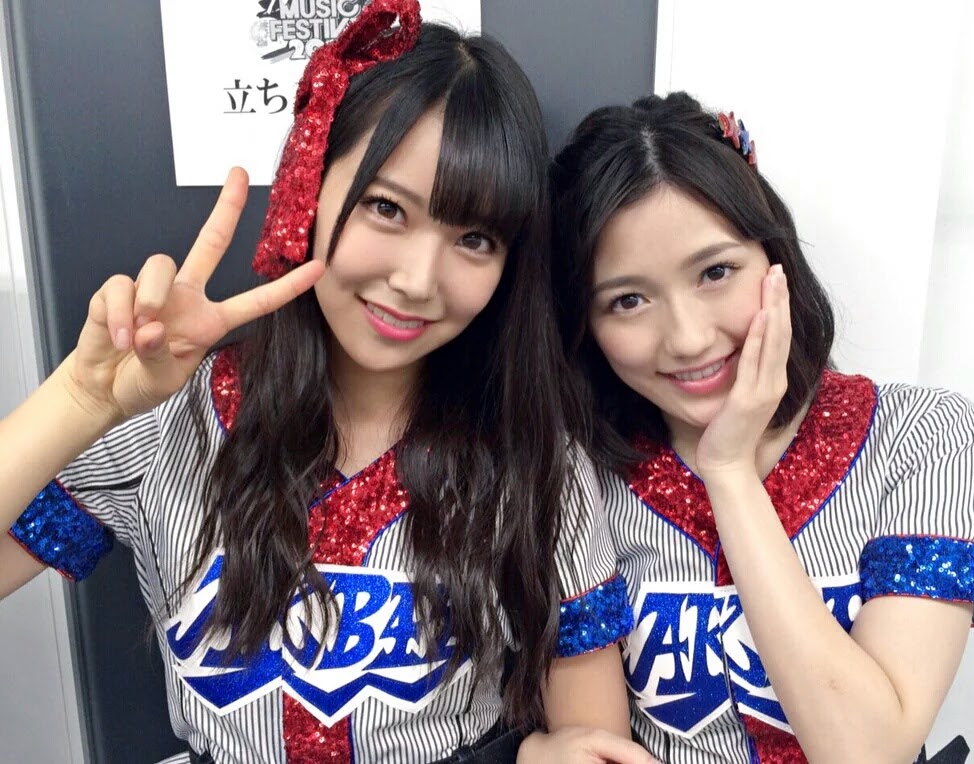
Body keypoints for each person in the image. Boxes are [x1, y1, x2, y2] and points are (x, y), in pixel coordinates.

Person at [0, 2, 637, 761]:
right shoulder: (172, 418)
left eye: (474, 238)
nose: (417, 279)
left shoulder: (533, 461)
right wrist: (80, 401)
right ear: (308, 193)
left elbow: (593, 741)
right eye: (386, 208)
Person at [546, 90, 974, 762]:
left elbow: (869, 753)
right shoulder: (579, 476)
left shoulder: (921, 437)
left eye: (716, 272)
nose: (687, 338)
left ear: (775, 260)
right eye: (628, 300)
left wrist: (729, 472)